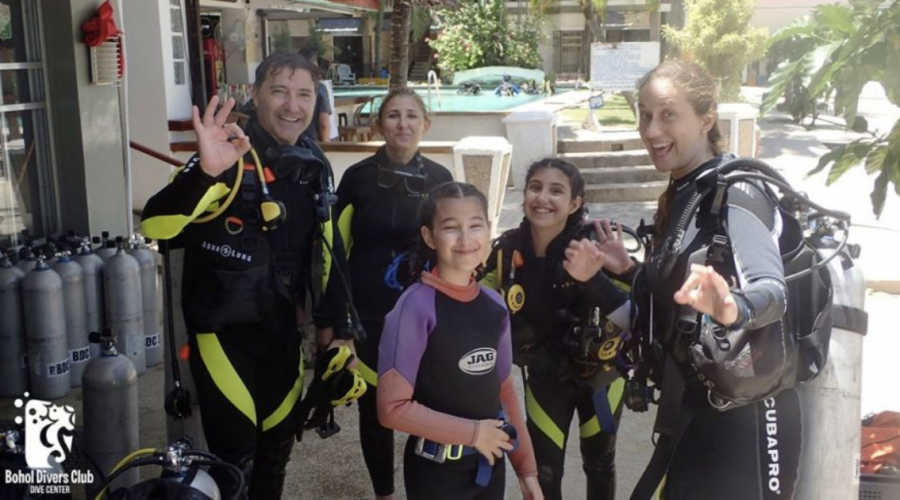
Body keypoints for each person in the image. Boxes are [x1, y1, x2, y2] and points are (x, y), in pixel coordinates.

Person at [141, 51, 355, 500]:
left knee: (277, 451)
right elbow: (156, 226)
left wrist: (338, 328)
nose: (292, 106)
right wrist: (204, 173)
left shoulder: (314, 163)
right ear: (255, 94)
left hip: (282, 332)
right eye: (279, 91)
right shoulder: (225, 153)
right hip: (223, 332)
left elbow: (329, 250)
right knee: (233, 457)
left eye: (304, 94)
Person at [628, 60, 800, 499]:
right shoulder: (686, 194)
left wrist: (730, 307)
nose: (651, 130)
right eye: (645, 114)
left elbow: (772, 291)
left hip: (746, 420)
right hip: (696, 409)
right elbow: (674, 305)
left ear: (706, 119)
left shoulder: (737, 191)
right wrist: (616, 271)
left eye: (667, 114)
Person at [479, 158, 634, 500]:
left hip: (601, 378)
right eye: (535, 187)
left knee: (599, 463)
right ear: (524, 195)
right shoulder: (508, 250)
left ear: (575, 203)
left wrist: (624, 270)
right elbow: (475, 297)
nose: (542, 198)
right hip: (546, 377)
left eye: (556, 190)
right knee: (545, 471)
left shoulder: (596, 245)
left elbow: (637, 313)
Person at [376, 182, 543, 500]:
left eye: (475, 226)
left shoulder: (494, 304)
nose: (466, 239)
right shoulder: (415, 308)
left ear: (489, 229)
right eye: (451, 228)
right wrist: (474, 433)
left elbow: (504, 391)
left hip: (489, 466)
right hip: (436, 474)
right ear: (429, 236)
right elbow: (391, 408)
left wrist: (526, 470)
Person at [334, 87, 453, 500]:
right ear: (379, 124)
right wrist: (336, 319)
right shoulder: (357, 179)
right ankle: (384, 493)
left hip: (424, 314)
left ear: (426, 124)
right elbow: (334, 253)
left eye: (411, 116)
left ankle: (423, 489)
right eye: (393, 116)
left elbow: (452, 251)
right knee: (375, 411)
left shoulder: (440, 180)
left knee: (428, 408)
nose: (402, 124)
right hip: (369, 313)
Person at [300, 47, 333, 143]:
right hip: (313, 143)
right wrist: (326, 145)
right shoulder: (320, 88)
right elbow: (324, 123)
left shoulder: (291, 86)